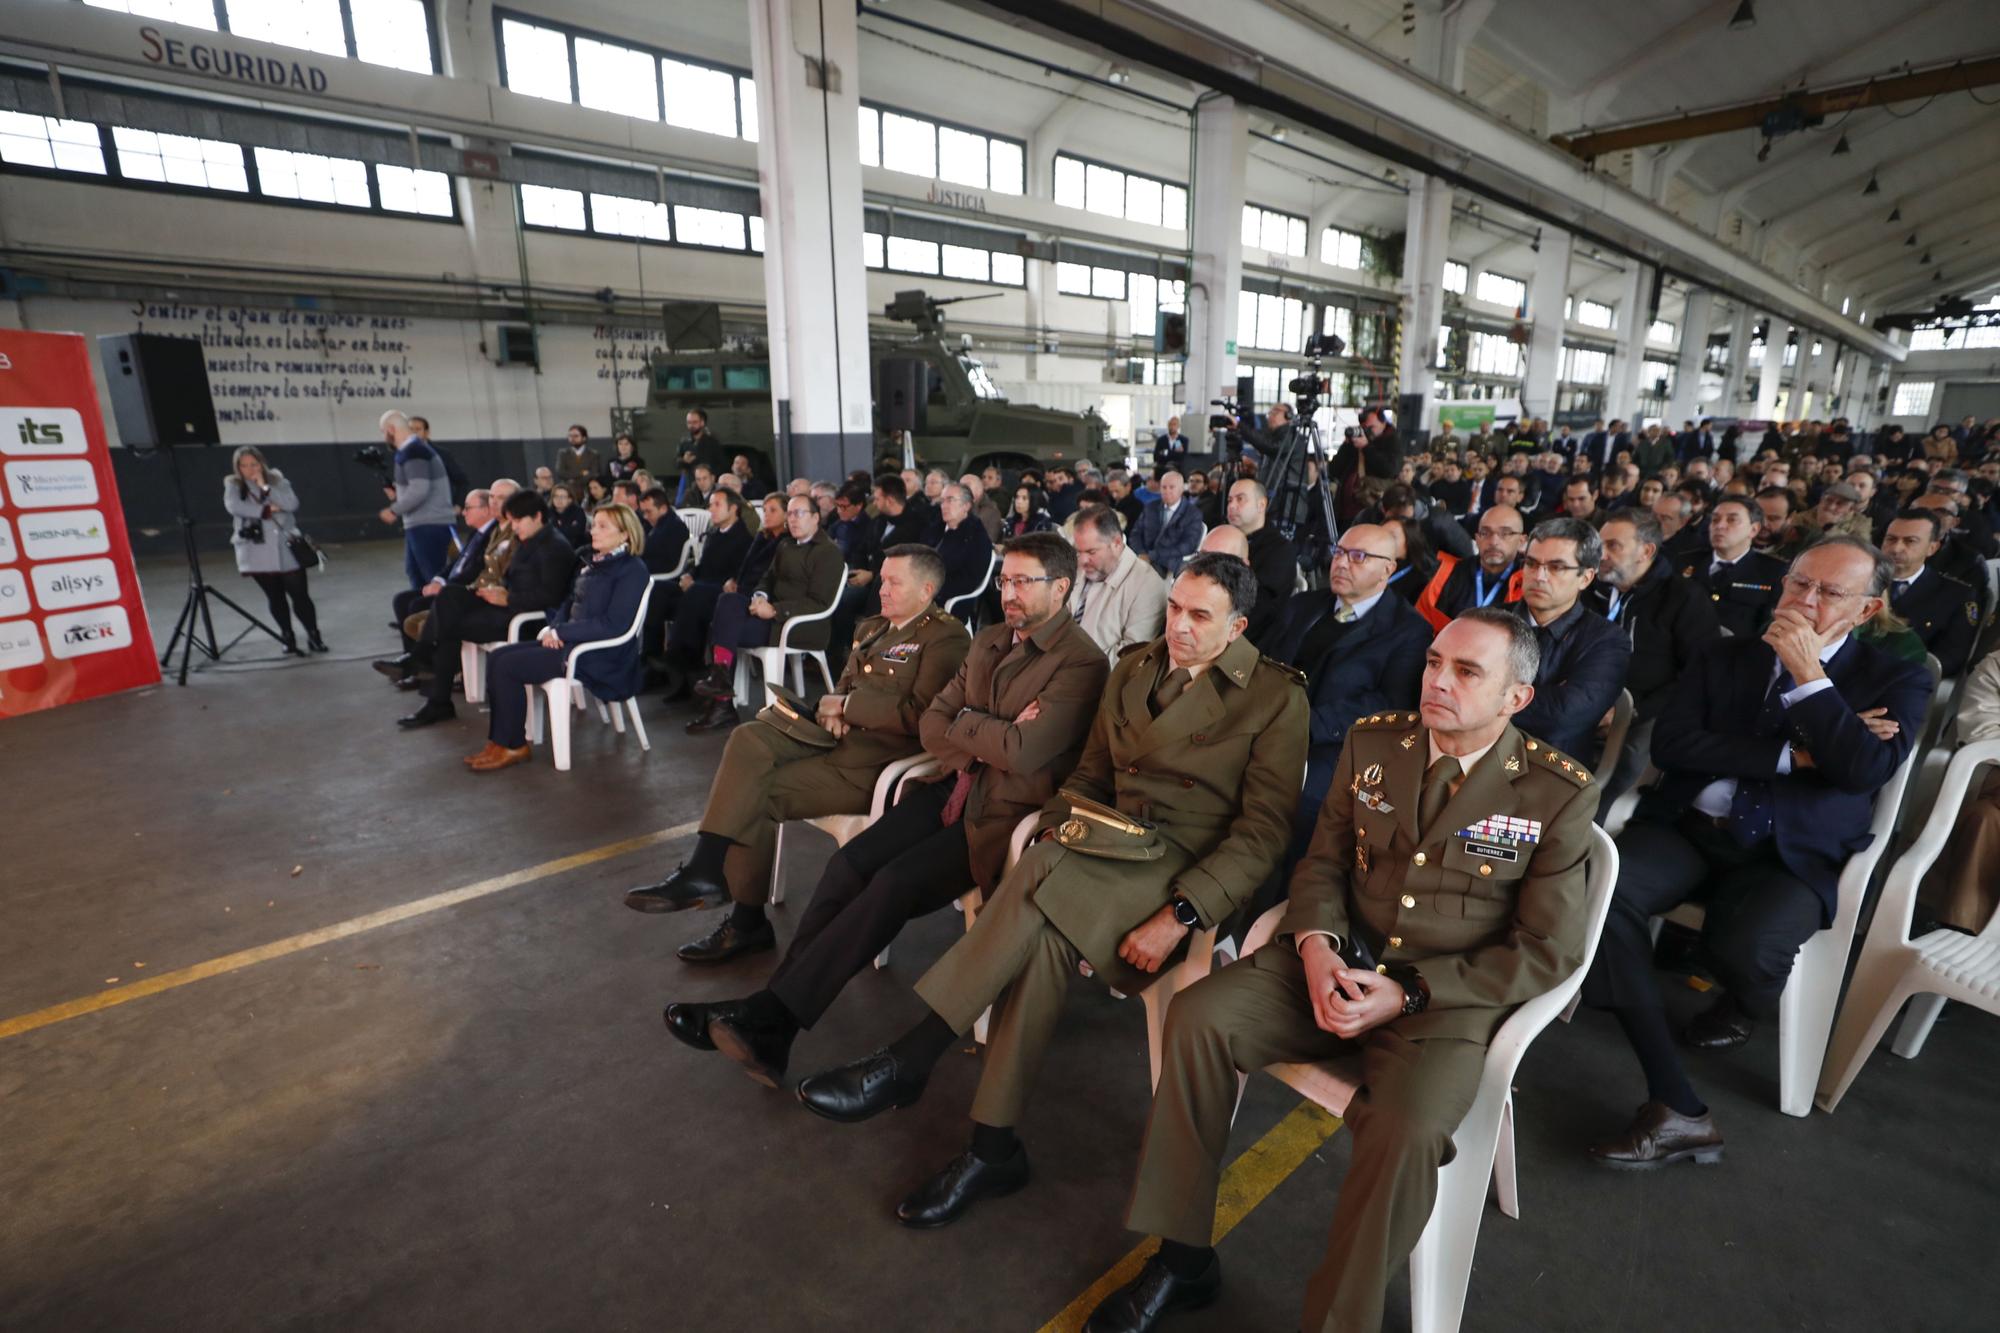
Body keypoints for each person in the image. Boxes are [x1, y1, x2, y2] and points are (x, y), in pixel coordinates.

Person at [1090, 609, 1598, 1333]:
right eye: (1432, 662)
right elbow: (1323, 861)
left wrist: (1411, 991)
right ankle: (1181, 1258)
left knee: (1407, 1129)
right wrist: (1317, 945)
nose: (1437, 681)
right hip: (1333, 962)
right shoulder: (1375, 740)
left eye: (1465, 671)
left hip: (1439, 1009)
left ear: (1516, 697)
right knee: (1199, 1015)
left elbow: (1547, 949)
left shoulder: (1555, 791)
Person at [791, 553, 1308, 1232]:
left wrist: (1183, 913)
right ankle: (991, 1147)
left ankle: (910, 1059)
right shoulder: (1135, 668)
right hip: (1104, 847)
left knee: (1035, 873)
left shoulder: (1275, 696)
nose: (1179, 624)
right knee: (1040, 934)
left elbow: (1263, 834)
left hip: (1181, 865)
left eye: (1200, 615)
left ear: (1238, 625)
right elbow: (1089, 779)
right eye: (1175, 607)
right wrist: (1059, 829)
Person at [669, 535, 1109, 1080]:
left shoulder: (1082, 663)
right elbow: (933, 722)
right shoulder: (991, 639)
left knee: (892, 884)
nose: (1009, 593)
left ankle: (771, 1017)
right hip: (951, 789)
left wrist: (969, 724)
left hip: (1000, 815)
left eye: (1023, 582)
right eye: (1005, 580)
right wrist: (985, 731)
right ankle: (773, 1017)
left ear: (1061, 587)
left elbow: (1022, 753)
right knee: (846, 865)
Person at [1580, 537, 1931, 1168]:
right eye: (1799, 583)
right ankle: (1675, 1100)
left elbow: (1861, 770)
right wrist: (1798, 756)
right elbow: (1675, 747)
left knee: (1746, 950)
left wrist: (1809, 679)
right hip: (1692, 828)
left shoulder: (1897, 676)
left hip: (1793, 850)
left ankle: (1741, 1002)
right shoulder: (1725, 653)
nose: (1805, 600)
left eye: (1830, 593)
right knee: (1600, 895)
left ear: (1868, 610)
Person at [626, 545, 970, 924]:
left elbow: (924, 717)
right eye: (883, 580)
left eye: (894, 582)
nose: (882, 589)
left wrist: (846, 708)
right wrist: (836, 706)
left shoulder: (946, 638)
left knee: (756, 793)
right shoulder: (873, 628)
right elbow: (842, 689)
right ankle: (704, 870)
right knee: (748, 737)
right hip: (833, 742)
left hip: (874, 766)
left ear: (925, 590)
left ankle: (745, 920)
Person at [1267, 523, 1431, 864]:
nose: (1341, 563)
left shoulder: (1408, 629)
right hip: (1270, 722)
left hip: (1335, 743)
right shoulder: (1305, 606)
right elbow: (1265, 662)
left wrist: (1303, 725)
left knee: (1295, 811)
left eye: (1358, 557)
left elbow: (1389, 704)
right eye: (1338, 552)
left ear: (1388, 569)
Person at [467, 504, 651, 772]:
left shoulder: (632, 570)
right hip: (574, 642)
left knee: (507, 666)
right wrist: (552, 628)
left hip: (599, 655)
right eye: (594, 524)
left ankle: (513, 745)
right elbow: (569, 603)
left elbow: (613, 625)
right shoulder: (595, 562)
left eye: (603, 526)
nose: (593, 531)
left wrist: (561, 633)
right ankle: (500, 741)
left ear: (625, 535)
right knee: (498, 656)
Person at [398, 490, 575, 729]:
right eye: (510, 521)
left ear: (537, 516)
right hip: (507, 605)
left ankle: (432, 685)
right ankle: (426, 667)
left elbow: (551, 596)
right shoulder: (529, 540)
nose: (512, 527)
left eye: (517, 521)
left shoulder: (554, 547)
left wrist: (509, 598)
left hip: (525, 619)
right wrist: (494, 591)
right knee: (451, 595)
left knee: (450, 626)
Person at [1587, 510, 1723, 810]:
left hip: (1651, 707)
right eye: (1599, 545)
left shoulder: (1684, 597)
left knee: (1626, 758)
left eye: (1613, 546)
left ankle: (1590, 835)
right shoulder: (1589, 590)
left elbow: (1699, 673)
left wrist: (1633, 711)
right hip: (1589, 695)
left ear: (1646, 551)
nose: (1601, 555)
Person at [687, 495, 848, 734]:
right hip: (771, 616)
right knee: (728, 600)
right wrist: (760, 596)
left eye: (799, 513)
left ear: (815, 518)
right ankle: (720, 680)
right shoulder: (786, 545)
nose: (792, 519)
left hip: (798, 625)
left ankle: (721, 702)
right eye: (790, 514)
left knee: (724, 628)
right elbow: (767, 579)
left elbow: (820, 603)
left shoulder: (828, 552)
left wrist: (775, 609)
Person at [1508, 518, 1630, 761]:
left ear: (1585, 577)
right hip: (1469, 752)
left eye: (1556, 567)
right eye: (1531, 563)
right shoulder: (1486, 620)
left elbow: (1561, 719)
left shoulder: (1608, 641)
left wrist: (1480, 693)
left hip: (1548, 768)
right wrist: (1546, 694)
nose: (1539, 576)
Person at [376, 484, 508, 684]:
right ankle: (411, 663)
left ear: (485, 510)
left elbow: (476, 571)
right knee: (402, 600)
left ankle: (422, 666)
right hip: (460, 589)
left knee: (422, 606)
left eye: (468, 507)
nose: (463, 512)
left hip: (477, 596)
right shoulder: (478, 533)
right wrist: (439, 579)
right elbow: (457, 563)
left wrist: (446, 586)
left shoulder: (496, 534)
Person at [222, 446, 324, 656]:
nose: (250, 469)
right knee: (275, 597)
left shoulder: (278, 481)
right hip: (256, 550)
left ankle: (314, 636)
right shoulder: (233, 485)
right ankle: (287, 637)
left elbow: (291, 503)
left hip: (285, 546)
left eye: (254, 464)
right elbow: (234, 507)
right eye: (244, 465)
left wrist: (265, 487)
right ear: (237, 467)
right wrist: (267, 510)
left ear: (262, 463)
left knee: (300, 595)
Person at [661, 490, 754, 695]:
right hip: (702, 587)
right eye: (710, 504)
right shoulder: (713, 534)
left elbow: (738, 576)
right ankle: (655, 658)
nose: (710, 509)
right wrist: (689, 575)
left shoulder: (744, 538)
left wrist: (697, 584)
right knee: (660, 590)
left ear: (733, 508)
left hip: (722, 593)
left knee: (694, 596)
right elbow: (702, 565)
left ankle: (683, 662)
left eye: (717, 505)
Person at [1881, 509, 1981, 677]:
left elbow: (1950, 657)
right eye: (1891, 539)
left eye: (1910, 541)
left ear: (1932, 548)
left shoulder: (1956, 595)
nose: (1896, 548)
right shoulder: (1859, 581)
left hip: (1903, 678)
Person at [1679, 496, 1787, 638]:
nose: (1720, 526)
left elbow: (1768, 626)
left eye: (1732, 520)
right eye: (1715, 520)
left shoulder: (1773, 571)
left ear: (1753, 530)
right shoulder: (1684, 561)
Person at [1069, 505, 1168, 659]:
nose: (1082, 561)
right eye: (1078, 551)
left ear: (1116, 543)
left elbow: (1130, 657)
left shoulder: (1148, 586)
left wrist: (1073, 666)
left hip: (1095, 678)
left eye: (1091, 552)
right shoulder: (1078, 569)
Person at [376, 409, 456, 590]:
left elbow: (419, 490)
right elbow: (418, 486)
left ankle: (438, 616)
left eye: (382, 432)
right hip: (422, 524)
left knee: (432, 581)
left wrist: (394, 509)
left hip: (428, 525)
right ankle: (423, 617)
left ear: (390, 429)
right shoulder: (413, 451)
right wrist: (399, 493)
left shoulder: (413, 452)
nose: (383, 437)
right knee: (417, 577)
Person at [1416, 504, 1525, 630]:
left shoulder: (1529, 584)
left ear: (1521, 542)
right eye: (1485, 533)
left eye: (1505, 533)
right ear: (1477, 539)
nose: (1494, 541)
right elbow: (1419, 625)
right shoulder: (1448, 574)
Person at [1225, 478, 1298, 649]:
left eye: (1240, 499)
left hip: (1251, 636)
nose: (1232, 506)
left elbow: (1263, 606)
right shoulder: (1225, 538)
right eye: (1229, 500)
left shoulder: (1281, 550)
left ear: (1261, 505)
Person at [1128, 469, 1204, 575]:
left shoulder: (1193, 513)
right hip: (1143, 559)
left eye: (1172, 487)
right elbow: (1135, 534)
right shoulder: (1151, 507)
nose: (1167, 491)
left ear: (1182, 489)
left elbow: (1188, 545)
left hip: (1170, 563)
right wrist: (1141, 553)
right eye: (1163, 487)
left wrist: (1153, 555)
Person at [933, 484, 995, 607]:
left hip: (946, 599)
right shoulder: (936, 527)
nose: (944, 506)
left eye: (950, 500)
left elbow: (969, 580)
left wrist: (929, 587)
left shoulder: (976, 536)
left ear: (966, 506)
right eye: (942, 501)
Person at [553, 424, 602, 495]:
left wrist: (574, 479)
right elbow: (561, 472)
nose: (572, 438)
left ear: (584, 438)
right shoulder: (563, 453)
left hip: (588, 491)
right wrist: (581, 473)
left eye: (576, 436)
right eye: (570, 436)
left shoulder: (593, 454)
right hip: (568, 491)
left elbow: (594, 473)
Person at [547, 483, 588, 549]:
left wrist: (559, 528)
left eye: (562, 497)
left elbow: (577, 532)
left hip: (575, 548)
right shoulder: (547, 512)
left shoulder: (578, 511)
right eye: (556, 496)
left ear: (570, 499)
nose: (559, 499)